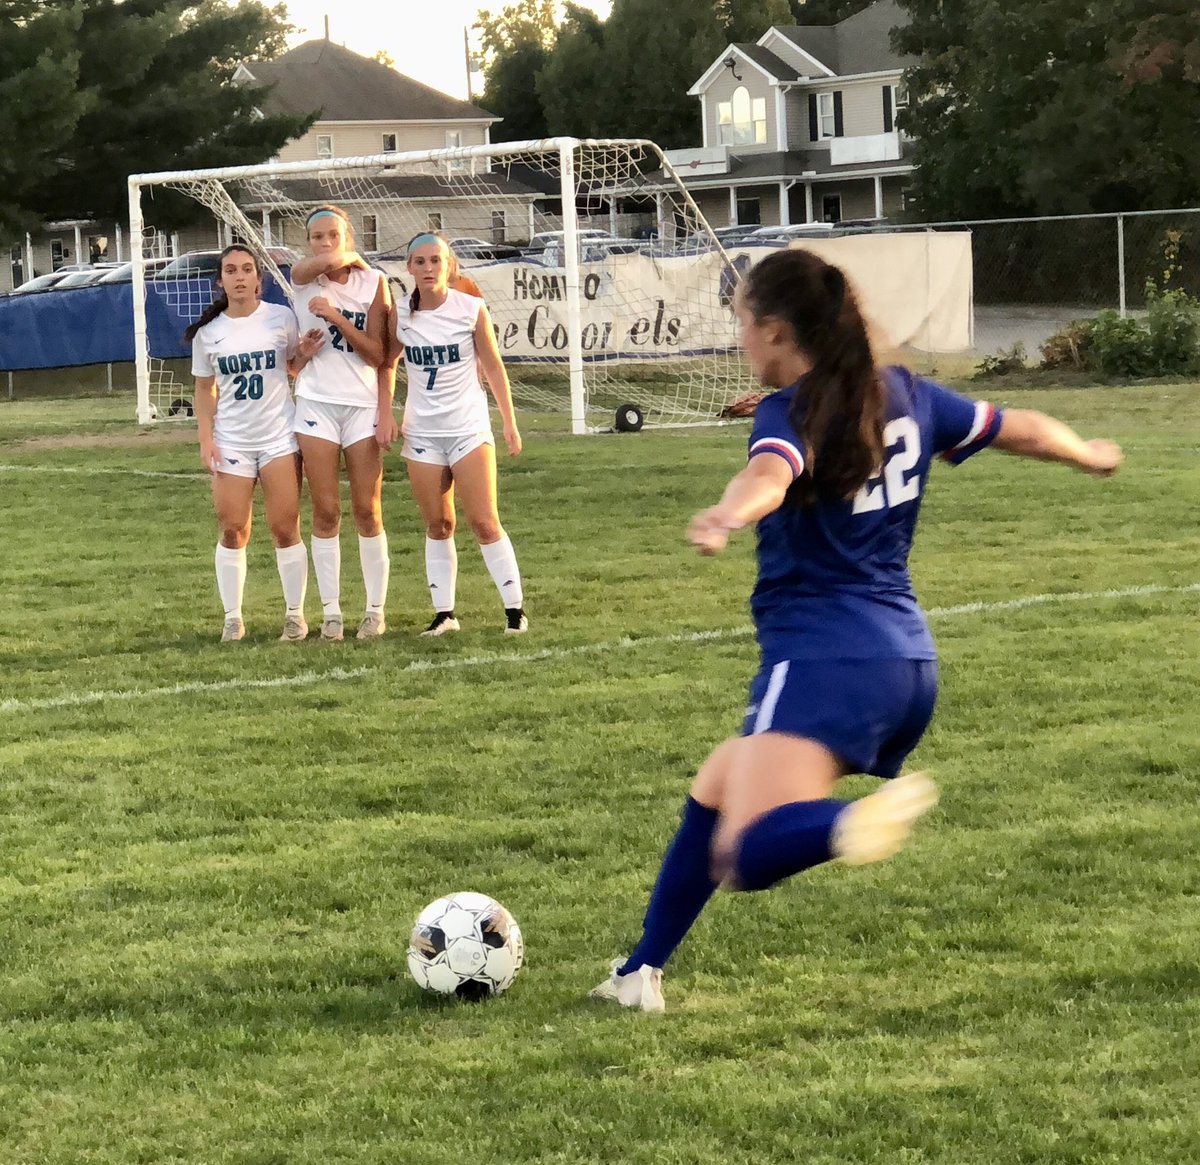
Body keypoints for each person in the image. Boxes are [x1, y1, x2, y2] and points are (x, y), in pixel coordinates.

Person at [590, 248, 1122, 1013]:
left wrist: (725, 513)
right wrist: (1088, 452)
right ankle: (640, 971)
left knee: (744, 849)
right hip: (904, 661)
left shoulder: (792, 415)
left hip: (820, 659)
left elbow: (768, 476)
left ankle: (850, 823)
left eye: (741, 324)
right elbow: (1020, 427)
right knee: (716, 783)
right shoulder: (901, 393)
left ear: (775, 330)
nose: (738, 341)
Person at [385, 233, 527, 636]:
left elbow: (494, 367)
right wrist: (385, 411)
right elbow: (386, 364)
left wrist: (509, 422)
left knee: (483, 521)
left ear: (449, 265)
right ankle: (444, 613)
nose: (428, 268)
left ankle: (515, 611)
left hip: (467, 427)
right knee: (438, 524)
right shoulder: (401, 314)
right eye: (419, 262)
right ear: (409, 269)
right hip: (422, 434)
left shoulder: (471, 308)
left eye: (435, 260)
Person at [188, 244, 325, 643]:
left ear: (259, 279)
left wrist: (303, 355)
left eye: (247, 269)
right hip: (232, 440)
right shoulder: (208, 334)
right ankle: (233, 617)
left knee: (285, 528)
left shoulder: (281, 318)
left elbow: (291, 368)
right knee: (233, 529)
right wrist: (205, 439)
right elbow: (203, 389)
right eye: (231, 270)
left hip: (278, 437)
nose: (240, 276)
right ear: (221, 280)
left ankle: (295, 616)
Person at [290, 205, 395, 641]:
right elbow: (304, 268)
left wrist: (334, 317)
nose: (326, 242)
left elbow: (379, 355)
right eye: (317, 236)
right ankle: (331, 611)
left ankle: (375, 610)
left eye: (334, 235)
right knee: (327, 510)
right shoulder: (302, 280)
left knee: (368, 510)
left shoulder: (374, 283)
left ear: (348, 236)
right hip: (315, 404)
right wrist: (341, 257)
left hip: (361, 405)